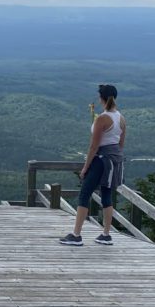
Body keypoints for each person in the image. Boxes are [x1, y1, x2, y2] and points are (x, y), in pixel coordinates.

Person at [60, 83, 126, 246]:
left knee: (85, 194)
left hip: (101, 160)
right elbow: (120, 144)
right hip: (114, 161)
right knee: (106, 196)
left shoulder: (102, 119)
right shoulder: (121, 118)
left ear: (101, 98)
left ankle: (76, 235)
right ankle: (106, 234)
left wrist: (85, 167)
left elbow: (94, 146)